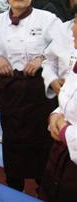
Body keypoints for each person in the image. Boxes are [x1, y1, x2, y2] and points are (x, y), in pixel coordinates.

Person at [0, 0, 62, 192]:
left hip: (39, 91)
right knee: (12, 138)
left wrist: (42, 58)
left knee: (42, 139)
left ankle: (44, 186)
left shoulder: (47, 19)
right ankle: (13, 185)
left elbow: (63, 46)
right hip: (11, 88)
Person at [39, 14, 77, 202]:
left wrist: (64, 130)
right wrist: (57, 113)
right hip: (62, 149)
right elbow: (71, 96)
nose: (73, 31)